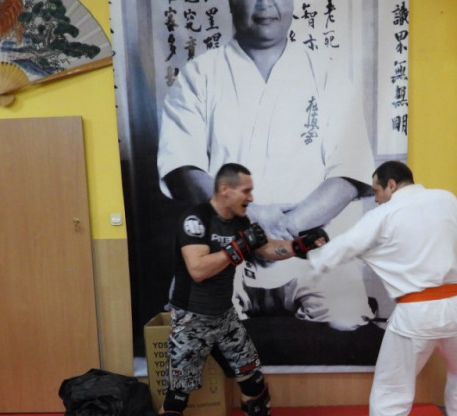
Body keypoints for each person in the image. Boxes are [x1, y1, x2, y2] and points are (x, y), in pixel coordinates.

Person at [157, 0, 375, 332]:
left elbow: (348, 173)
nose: (264, 6)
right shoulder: (199, 74)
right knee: (191, 323)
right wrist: (251, 218)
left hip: (308, 246)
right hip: (225, 243)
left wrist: (285, 227)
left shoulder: (327, 73)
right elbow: (183, 168)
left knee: (346, 321)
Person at [148, 163, 327, 416]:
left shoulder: (240, 221)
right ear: (225, 190)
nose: (251, 197)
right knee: (177, 396)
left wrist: (299, 245)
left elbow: (268, 249)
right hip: (191, 320)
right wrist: (236, 249)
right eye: (246, 191)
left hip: (225, 317)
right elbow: (198, 270)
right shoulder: (196, 219)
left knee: (254, 383)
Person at [308, 161, 457, 416]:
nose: (375, 198)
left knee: (392, 390)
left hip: (418, 314)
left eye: (377, 190)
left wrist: (315, 257)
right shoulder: (447, 200)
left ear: (391, 185)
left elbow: (347, 245)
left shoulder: (385, 215)